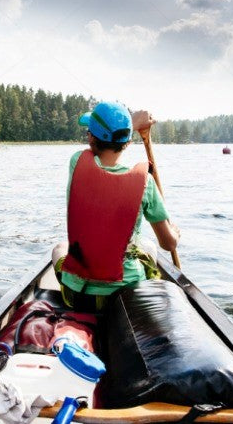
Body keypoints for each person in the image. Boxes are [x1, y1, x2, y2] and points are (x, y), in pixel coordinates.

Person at [52, 101, 180, 312]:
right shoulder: (145, 183)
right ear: (128, 143)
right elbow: (168, 243)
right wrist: (174, 234)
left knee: (59, 248)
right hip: (126, 297)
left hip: (80, 296)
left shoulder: (76, 163)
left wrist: (133, 123)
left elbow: (97, 159)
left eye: (88, 131)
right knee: (148, 247)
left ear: (91, 137)